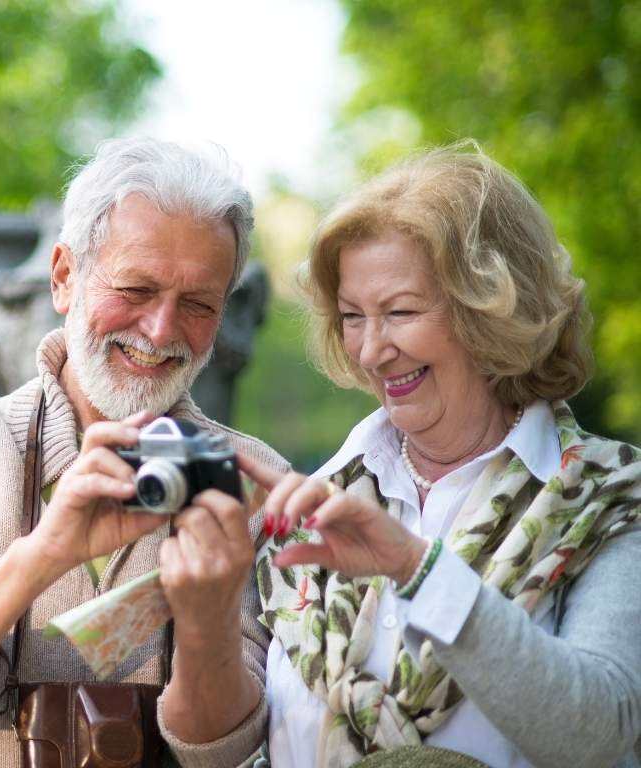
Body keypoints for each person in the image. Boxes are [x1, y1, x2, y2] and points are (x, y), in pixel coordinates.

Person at [0, 136, 289, 767]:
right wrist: (44, 555)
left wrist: (208, 617)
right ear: (64, 277)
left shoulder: (251, 482)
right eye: (135, 289)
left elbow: (227, 751)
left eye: (198, 304)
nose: (160, 330)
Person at [196, 145, 641, 767]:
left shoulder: (610, 498)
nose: (373, 351)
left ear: (493, 308)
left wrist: (417, 568)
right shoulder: (309, 499)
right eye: (353, 316)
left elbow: (599, 734)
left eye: (400, 312)